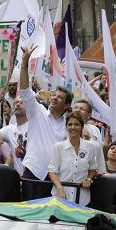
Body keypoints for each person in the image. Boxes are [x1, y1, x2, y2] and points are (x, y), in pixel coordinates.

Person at [19, 45, 69, 199]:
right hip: (33, 172)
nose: (54, 98)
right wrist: (24, 64)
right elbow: (25, 90)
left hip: (57, 177)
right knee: (30, 214)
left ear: (67, 105)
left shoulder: (70, 124)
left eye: (59, 97)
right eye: (54, 95)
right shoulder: (38, 111)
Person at [47, 112, 103, 205]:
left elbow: (93, 168)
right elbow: (52, 171)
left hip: (82, 198)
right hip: (61, 196)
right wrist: (60, 188)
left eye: (76, 124)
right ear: (66, 127)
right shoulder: (58, 147)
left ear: (82, 127)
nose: (73, 127)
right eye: (70, 124)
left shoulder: (90, 146)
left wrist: (88, 179)